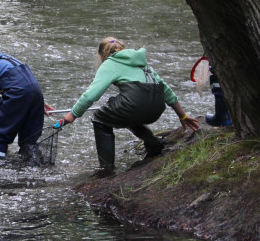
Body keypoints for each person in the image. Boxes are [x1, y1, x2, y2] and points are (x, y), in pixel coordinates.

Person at [59, 37, 200, 175]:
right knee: (124, 113)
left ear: (102, 55)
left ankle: (106, 169)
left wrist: (73, 114)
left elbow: (92, 94)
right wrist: (182, 115)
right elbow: (166, 90)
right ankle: (154, 144)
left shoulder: (110, 63)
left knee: (100, 119)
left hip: (134, 105)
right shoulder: (143, 63)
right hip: (156, 108)